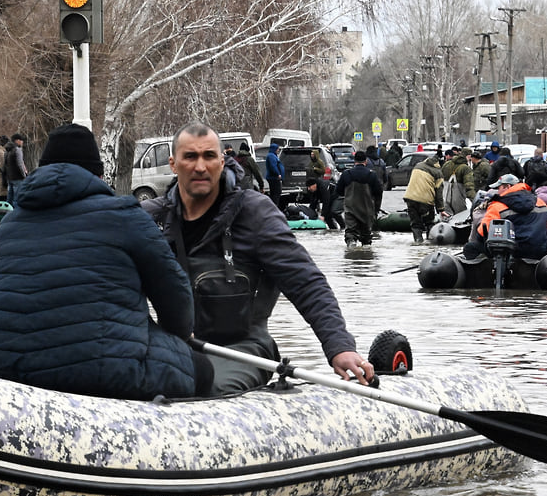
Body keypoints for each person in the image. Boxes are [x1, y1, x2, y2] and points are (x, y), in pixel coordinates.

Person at [0, 123, 210, 400]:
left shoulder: (9, 226)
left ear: (40, 170)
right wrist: (177, 335)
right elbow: (175, 300)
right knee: (202, 369)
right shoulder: (126, 216)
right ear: (99, 175)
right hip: (108, 373)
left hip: (0, 368)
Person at [142, 121, 375, 395]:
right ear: (173, 163)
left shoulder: (256, 213)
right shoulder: (149, 219)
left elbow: (306, 282)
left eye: (209, 156)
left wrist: (339, 346)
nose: (200, 167)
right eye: (190, 157)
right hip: (174, 350)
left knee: (203, 390)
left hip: (245, 350)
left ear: (222, 160)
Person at [462, 174, 547, 260]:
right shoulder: (540, 202)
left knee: (470, 248)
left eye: (499, 188)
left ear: (507, 186)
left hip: (510, 255)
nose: (497, 191)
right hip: (538, 252)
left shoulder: (497, 206)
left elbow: (481, 233)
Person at [335, 150, 383, 247]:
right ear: (365, 161)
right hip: (366, 210)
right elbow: (378, 193)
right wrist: (376, 209)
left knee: (350, 233)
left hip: (350, 209)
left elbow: (338, 191)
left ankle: (351, 246)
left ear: (354, 161)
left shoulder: (346, 174)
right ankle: (366, 255)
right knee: (366, 237)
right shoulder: (371, 175)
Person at [402, 154, 445, 244]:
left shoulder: (418, 166)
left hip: (410, 198)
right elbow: (439, 193)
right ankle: (430, 243)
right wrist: (441, 209)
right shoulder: (438, 173)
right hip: (425, 201)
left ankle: (418, 241)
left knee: (415, 223)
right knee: (429, 222)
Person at [441, 145, 473, 214]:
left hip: (445, 197)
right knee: (459, 221)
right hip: (458, 201)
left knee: (446, 220)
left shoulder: (447, 164)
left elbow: (440, 179)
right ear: (468, 156)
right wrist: (474, 200)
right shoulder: (465, 168)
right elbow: (469, 186)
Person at [4, 133, 28, 199]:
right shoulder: (17, 150)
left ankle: (8, 209)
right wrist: (24, 175)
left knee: (10, 197)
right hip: (18, 177)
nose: (22, 142)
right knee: (17, 198)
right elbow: (20, 164)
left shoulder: (7, 150)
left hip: (9, 177)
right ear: (17, 140)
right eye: (21, 140)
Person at [265, 142, 283, 209]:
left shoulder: (272, 155)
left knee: (274, 194)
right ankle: (274, 208)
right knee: (276, 194)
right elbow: (273, 166)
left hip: (273, 177)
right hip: (273, 178)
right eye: (277, 149)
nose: (278, 150)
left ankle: (273, 208)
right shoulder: (271, 156)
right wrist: (278, 174)